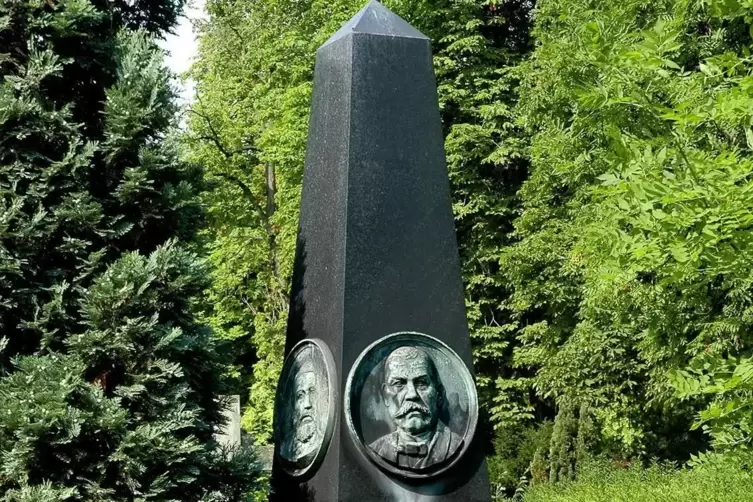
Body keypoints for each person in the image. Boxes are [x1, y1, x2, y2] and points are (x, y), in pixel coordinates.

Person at [369, 346, 463, 470]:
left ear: (438, 393)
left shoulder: (455, 445)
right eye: (399, 384)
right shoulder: (377, 449)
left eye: (421, 383)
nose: (412, 394)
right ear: (385, 396)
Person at [281, 360, 321, 468]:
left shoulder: (320, 439)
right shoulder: (286, 447)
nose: (307, 404)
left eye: (312, 392)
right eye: (300, 396)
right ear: (293, 404)